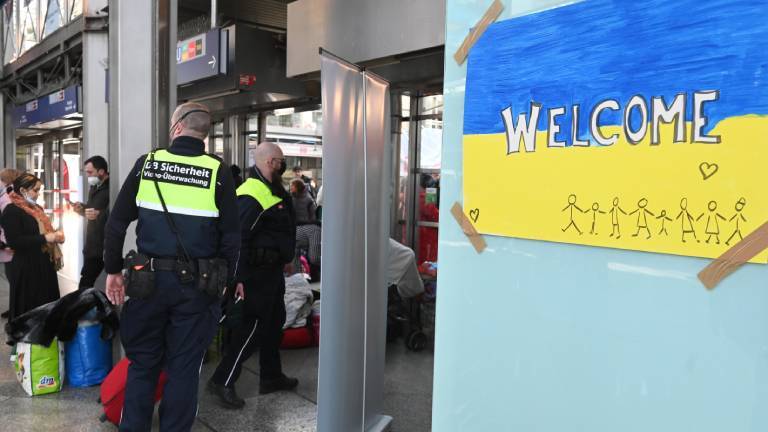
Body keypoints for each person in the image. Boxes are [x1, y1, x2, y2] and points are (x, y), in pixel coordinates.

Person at [103, 102, 240, 431]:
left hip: (147, 283)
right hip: (197, 287)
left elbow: (116, 223)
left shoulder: (148, 164)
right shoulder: (218, 172)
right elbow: (233, 238)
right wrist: (227, 281)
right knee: (184, 368)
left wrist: (113, 271)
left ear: (177, 127)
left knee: (143, 363)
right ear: (204, 133)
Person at [208, 142, 298, 409]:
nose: (283, 165)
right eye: (281, 160)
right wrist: (238, 279)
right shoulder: (251, 193)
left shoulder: (272, 188)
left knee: (274, 323)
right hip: (255, 275)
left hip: (272, 271)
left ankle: (271, 376)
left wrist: (285, 259)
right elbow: (238, 239)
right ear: (270, 162)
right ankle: (222, 380)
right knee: (253, 328)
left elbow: (278, 230)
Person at [0, 173, 64, 321]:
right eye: (35, 190)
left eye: (39, 190)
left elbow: (42, 231)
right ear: (23, 190)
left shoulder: (37, 209)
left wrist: (56, 236)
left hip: (44, 263)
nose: (38, 194)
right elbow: (14, 241)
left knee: (47, 305)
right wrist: (45, 238)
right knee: (30, 308)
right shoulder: (11, 211)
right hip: (27, 267)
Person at [71, 156, 110, 289]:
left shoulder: (112, 188)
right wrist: (81, 209)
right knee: (87, 279)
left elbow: (114, 212)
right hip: (92, 243)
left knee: (86, 282)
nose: (88, 176)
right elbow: (91, 210)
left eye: (90, 172)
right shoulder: (94, 187)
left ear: (101, 171)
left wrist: (100, 215)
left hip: (103, 243)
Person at [0, 168, 21, 319]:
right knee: (10, 277)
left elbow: (8, 224)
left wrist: (5, 243)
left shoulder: (8, 198)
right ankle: (14, 307)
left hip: (7, 244)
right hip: (6, 243)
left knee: (12, 277)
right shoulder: (7, 196)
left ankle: (16, 309)